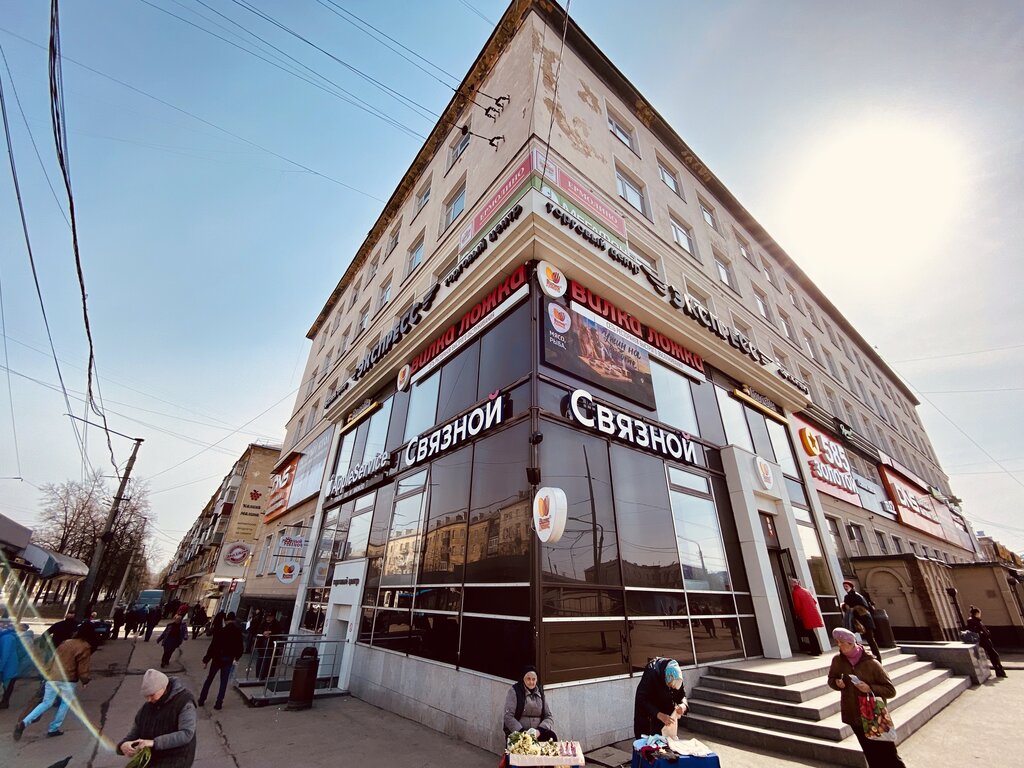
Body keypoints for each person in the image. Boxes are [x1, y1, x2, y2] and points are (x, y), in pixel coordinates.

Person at [827, 627, 906, 768]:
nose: (839, 645)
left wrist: (870, 688)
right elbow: (831, 679)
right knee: (870, 753)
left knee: (889, 754)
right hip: (854, 714)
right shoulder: (838, 661)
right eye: (837, 642)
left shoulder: (872, 663)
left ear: (851, 643)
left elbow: (890, 690)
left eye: (842, 642)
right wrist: (837, 683)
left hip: (874, 714)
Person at [13, 624, 94, 740]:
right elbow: (83, 667)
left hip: (52, 677)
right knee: (65, 704)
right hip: (68, 679)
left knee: (46, 703)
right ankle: (54, 728)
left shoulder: (65, 643)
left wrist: (47, 673)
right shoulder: (84, 647)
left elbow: (53, 659)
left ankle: (24, 722)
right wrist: (85, 680)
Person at [117, 669, 197, 767]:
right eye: (146, 696)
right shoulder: (147, 708)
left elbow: (186, 734)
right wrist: (123, 745)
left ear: (163, 688)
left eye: (152, 695)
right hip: (154, 757)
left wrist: (154, 743)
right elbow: (137, 730)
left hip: (177, 757)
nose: (149, 700)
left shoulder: (184, 702)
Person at [198, 612, 244, 710]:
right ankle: (219, 703)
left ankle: (202, 699)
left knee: (209, 679)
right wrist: (237, 657)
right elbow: (240, 647)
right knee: (224, 681)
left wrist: (206, 659)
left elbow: (213, 646)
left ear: (226, 621)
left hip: (217, 658)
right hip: (229, 659)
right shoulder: (237, 632)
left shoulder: (221, 631)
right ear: (234, 620)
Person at [633, 657, 688, 739]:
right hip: (648, 720)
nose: (672, 689)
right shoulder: (651, 673)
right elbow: (642, 699)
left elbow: (682, 695)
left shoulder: (676, 676)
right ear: (666, 678)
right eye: (670, 686)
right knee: (648, 744)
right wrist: (659, 714)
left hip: (665, 720)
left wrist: (683, 705)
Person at [502, 665, 556, 741]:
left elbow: (549, 716)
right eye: (528, 679)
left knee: (552, 736)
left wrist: (539, 731)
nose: (531, 682)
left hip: (537, 733)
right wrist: (522, 732)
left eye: (534, 679)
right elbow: (508, 716)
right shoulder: (515, 691)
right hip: (520, 733)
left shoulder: (540, 692)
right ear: (523, 679)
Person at [843, 580, 882, 662]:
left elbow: (865, 608)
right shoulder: (847, 597)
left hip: (865, 620)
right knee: (852, 639)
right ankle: (859, 657)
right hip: (855, 621)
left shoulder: (858, 596)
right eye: (844, 586)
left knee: (870, 640)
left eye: (846, 586)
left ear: (851, 587)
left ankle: (878, 658)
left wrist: (853, 609)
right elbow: (847, 608)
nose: (845, 588)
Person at [966, 606, 1007, 678]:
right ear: (977, 613)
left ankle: (999, 671)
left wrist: (986, 632)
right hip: (984, 640)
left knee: (993, 656)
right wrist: (984, 633)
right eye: (979, 613)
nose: (980, 614)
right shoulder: (973, 621)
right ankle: (1000, 671)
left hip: (985, 639)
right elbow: (975, 630)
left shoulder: (976, 620)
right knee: (995, 655)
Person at [790, 577, 824, 655]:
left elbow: (797, 606)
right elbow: (814, 602)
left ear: (794, 583)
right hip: (812, 613)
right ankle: (817, 649)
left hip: (805, 614)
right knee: (811, 632)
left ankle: (815, 651)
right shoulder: (806, 591)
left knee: (810, 633)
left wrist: (797, 614)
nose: (790, 584)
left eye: (791, 582)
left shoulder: (795, 592)